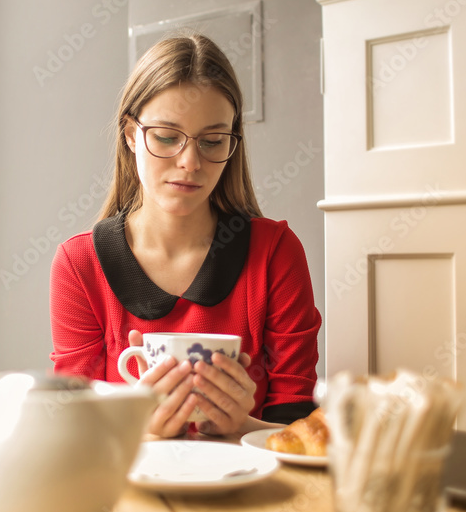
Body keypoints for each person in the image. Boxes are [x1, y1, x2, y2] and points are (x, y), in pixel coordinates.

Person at [50, 33, 321, 438]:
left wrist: (239, 426)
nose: (190, 162)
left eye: (213, 141)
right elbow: (72, 435)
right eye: (166, 137)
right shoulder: (80, 264)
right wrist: (143, 430)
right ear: (129, 134)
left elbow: (300, 435)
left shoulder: (275, 254)